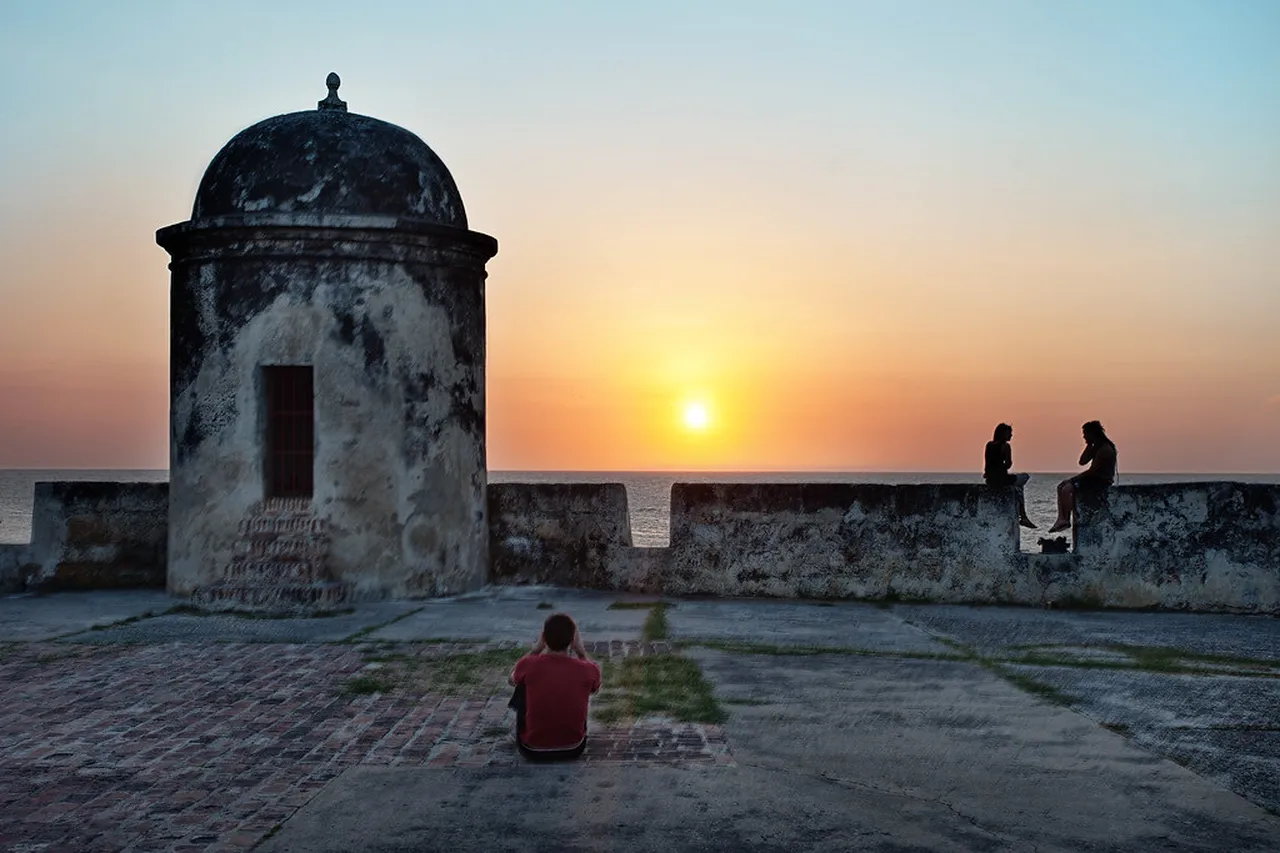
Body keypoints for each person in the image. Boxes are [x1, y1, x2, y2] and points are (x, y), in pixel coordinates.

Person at [507, 612, 602, 761]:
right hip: (573, 749)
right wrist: (581, 652)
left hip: (532, 750)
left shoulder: (528, 665)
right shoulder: (588, 669)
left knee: (522, 684)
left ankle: (532, 730)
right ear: (572, 641)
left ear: (544, 638)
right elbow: (595, 689)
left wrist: (536, 650)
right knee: (582, 685)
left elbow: (511, 679)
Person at [1048, 420, 1117, 533]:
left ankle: (1065, 519)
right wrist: (1089, 445)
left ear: (1092, 433)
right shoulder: (1096, 447)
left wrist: (1072, 479)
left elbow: (1092, 471)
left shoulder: (1105, 449)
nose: (1083, 436)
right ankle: (1062, 518)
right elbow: (1082, 461)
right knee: (1061, 486)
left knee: (1067, 488)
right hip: (1094, 478)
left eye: (1085, 433)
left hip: (1101, 481)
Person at [984, 423, 1037, 529]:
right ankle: (1023, 516)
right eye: (1009, 433)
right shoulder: (1005, 446)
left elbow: (988, 464)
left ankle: (1023, 515)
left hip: (990, 479)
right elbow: (1008, 464)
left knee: (1018, 487)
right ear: (1002, 433)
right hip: (1002, 479)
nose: (1011, 435)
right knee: (1025, 477)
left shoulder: (989, 445)